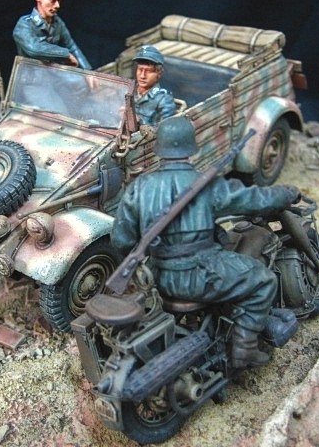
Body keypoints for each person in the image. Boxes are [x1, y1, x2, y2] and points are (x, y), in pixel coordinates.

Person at [111, 116, 301, 369]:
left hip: (158, 278)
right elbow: (254, 199)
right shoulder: (207, 184)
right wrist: (286, 193)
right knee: (264, 280)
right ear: (190, 147)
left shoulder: (139, 187)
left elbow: (121, 240)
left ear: (160, 148)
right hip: (202, 275)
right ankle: (244, 348)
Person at [13, 0, 92, 70]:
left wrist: (88, 72)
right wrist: (66, 54)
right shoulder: (24, 24)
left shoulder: (57, 23)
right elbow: (34, 49)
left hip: (51, 75)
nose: (57, 5)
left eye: (59, 0)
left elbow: (71, 46)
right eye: (52, 0)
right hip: (29, 76)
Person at [132, 45, 176, 127]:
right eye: (140, 69)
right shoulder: (130, 90)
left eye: (148, 71)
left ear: (159, 73)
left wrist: (139, 121)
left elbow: (166, 129)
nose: (142, 76)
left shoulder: (164, 98)